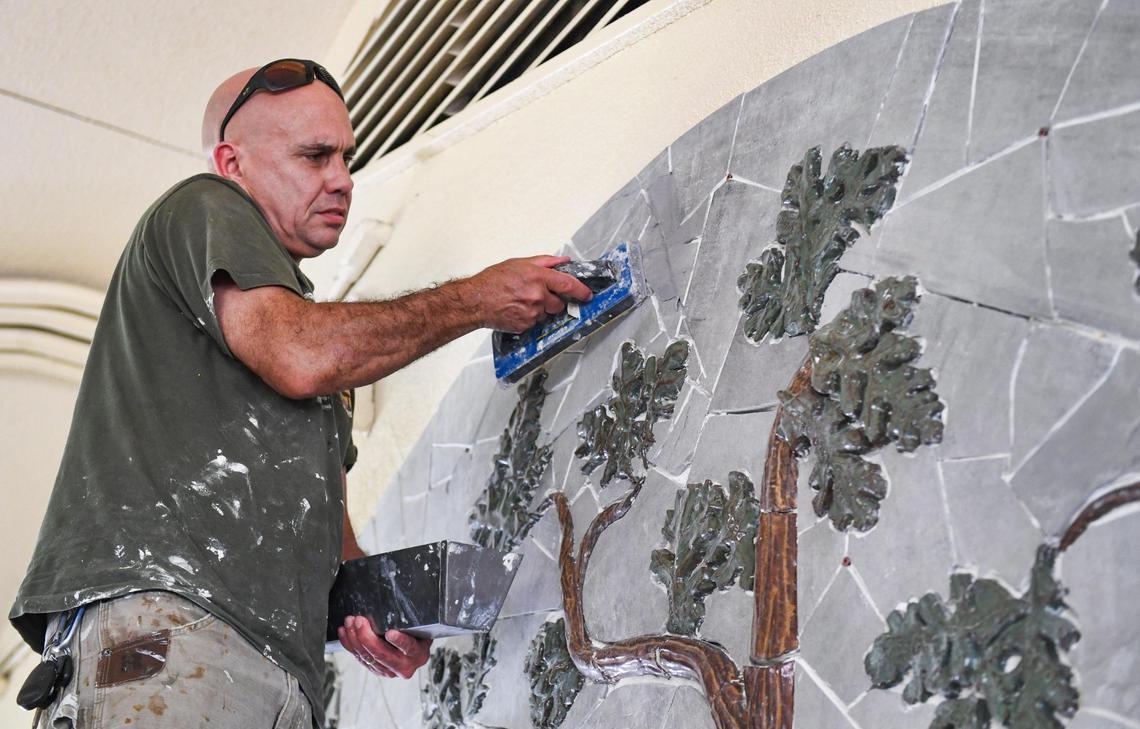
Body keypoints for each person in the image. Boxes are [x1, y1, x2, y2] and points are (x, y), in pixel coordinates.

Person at [9, 58, 591, 728]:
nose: (342, 179)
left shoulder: (313, 375)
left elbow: (332, 546)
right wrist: (478, 298)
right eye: (315, 156)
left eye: (346, 156)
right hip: (167, 635)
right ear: (233, 162)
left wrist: (375, 608)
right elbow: (300, 352)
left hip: (279, 675)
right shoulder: (203, 208)